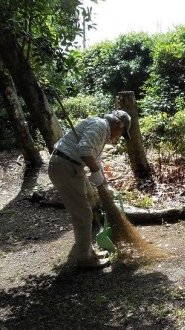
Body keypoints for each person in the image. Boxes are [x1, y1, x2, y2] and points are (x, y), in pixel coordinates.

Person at [48, 110, 131, 269]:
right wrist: (95, 172)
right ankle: (85, 259)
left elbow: (94, 156)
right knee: (83, 214)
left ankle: (88, 251)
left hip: (71, 167)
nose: (119, 136)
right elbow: (84, 150)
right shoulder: (100, 125)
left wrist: (102, 176)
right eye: (122, 132)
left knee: (84, 210)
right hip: (65, 167)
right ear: (117, 124)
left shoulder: (102, 131)